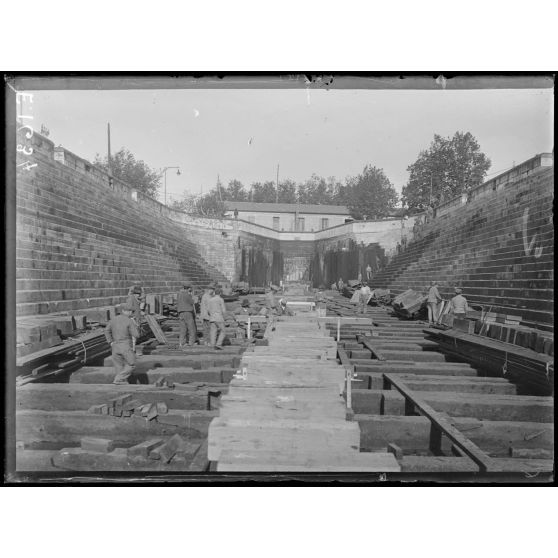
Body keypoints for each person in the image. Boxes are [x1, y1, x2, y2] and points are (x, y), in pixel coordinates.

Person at [104, 303, 139, 385]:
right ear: (125, 311)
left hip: (115, 346)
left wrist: (110, 341)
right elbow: (137, 335)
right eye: (130, 311)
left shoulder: (113, 319)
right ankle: (118, 379)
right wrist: (136, 326)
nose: (131, 313)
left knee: (119, 366)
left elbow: (106, 331)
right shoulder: (129, 321)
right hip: (125, 346)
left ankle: (121, 382)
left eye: (131, 311)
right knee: (132, 364)